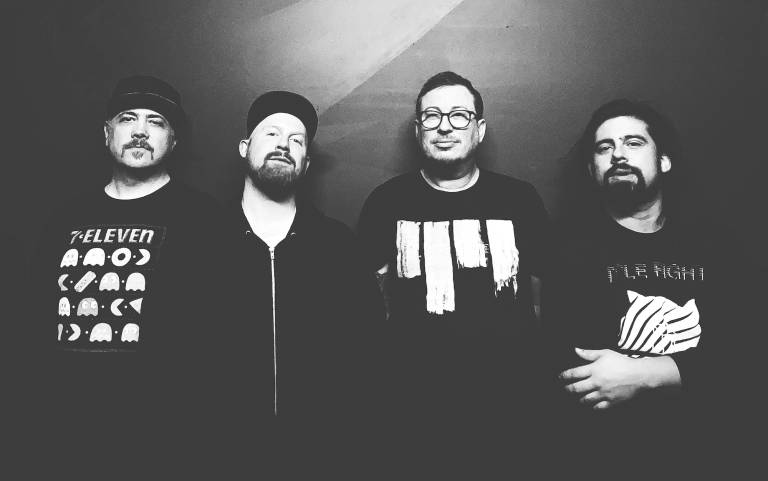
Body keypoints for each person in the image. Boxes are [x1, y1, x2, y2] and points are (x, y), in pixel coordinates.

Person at [25, 75, 231, 469]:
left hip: (162, 444)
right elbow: (30, 323)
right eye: (127, 119)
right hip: (62, 440)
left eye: (156, 122)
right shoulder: (64, 220)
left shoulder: (204, 220)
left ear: (174, 140)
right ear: (107, 134)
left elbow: (221, 341)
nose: (140, 131)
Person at [546, 99, 746, 467]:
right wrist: (694, 370)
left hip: (709, 453)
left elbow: (744, 355)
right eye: (605, 148)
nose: (618, 155)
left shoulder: (716, 245)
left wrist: (648, 373)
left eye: (633, 143)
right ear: (592, 169)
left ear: (664, 161)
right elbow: (579, 371)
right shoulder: (566, 251)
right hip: (605, 457)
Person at [357, 71, 550, 445]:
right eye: (432, 116)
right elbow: (372, 310)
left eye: (459, 115)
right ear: (418, 131)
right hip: (412, 415)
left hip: (512, 412)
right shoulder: (386, 202)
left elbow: (541, 303)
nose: (445, 127)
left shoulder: (520, 199)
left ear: (479, 130)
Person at [228, 90, 383, 444]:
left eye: (296, 140)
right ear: (243, 147)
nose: (283, 145)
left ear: (307, 162)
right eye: (271, 134)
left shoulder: (339, 245)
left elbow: (368, 355)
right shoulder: (201, 240)